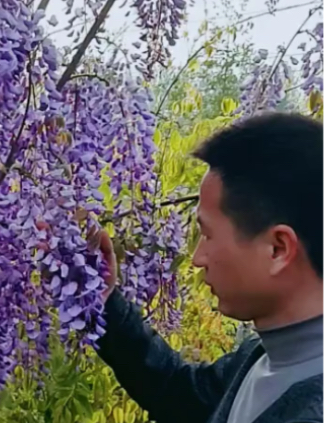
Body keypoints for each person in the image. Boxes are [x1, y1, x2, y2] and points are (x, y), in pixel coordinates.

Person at [89, 112, 323, 423]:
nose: (197, 257)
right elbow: (179, 393)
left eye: (208, 234)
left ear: (278, 249)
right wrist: (102, 299)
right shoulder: (261, 358)